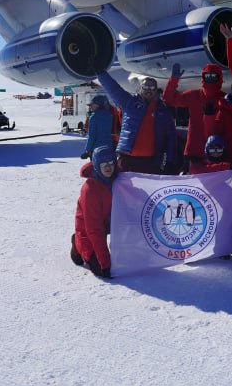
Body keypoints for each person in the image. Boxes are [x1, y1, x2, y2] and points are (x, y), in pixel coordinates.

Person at [96, 71, 179, 174]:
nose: (149, 90)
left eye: (152, 88)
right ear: (140, 89)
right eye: (146, 87)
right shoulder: (129, 103)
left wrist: (171, 162)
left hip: (150, 163)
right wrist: (100, 73)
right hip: (127, 161)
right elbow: (113, 89)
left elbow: (171, 139)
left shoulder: (163, 112)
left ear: (156, 90)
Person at [162, 62, 226, 173]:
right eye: (207, 76)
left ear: (219, 78)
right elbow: (169, 99)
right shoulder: (193, 95)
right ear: (203, 78)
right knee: (193, 188)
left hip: (216, 151)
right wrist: (174, 79)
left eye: (213, 76)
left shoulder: (224, 100)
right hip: (194, 151)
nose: (210, 79)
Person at [70, 144, 118, 280]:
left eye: (111, 163)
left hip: (109, 222)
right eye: (104, 165)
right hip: (89, 228)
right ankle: (77, 243)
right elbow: (94, 229)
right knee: (99, 269)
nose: (108, 168)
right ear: (97, 166)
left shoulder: (118, 178)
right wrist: (105, 263)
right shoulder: (90, 190)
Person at [80, 93, 114, 159]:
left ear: (98, 105)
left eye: (92, 105)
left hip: (97, 149)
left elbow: (92, 136)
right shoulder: (110, 115)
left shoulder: (94, 117)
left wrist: (87, 150)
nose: (90, 107)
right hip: (109, 147)